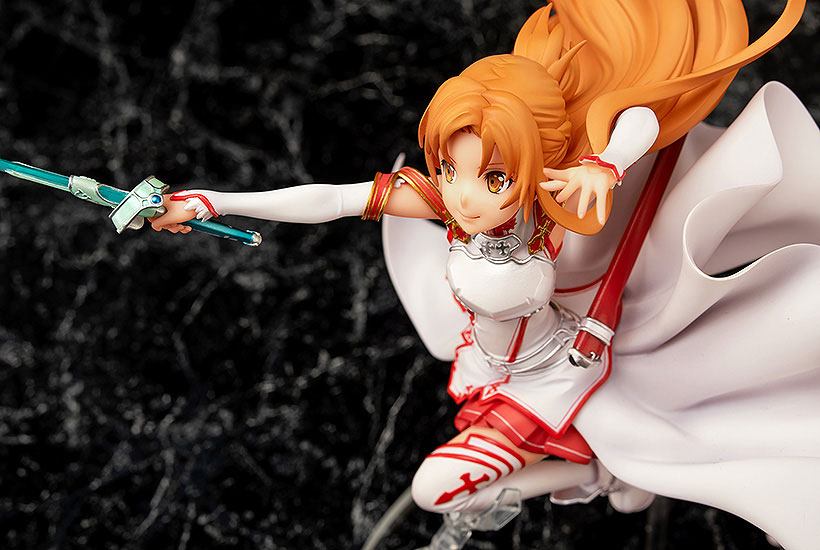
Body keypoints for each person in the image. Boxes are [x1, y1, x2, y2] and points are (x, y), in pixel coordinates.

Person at [151, 1, 819, 548]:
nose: (466, 198)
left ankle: (596, 470)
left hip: (553, 376)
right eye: (451, 169)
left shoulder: (543, 213)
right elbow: (330, 198)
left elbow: (640, 115)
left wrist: (607, 162)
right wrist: (214, 201)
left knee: (432, 490)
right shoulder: (447, 204)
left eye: (493, 177)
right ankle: (601, 470)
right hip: (490, 364)